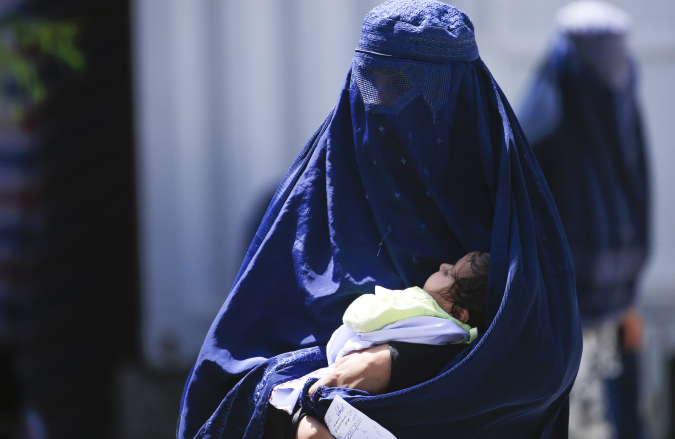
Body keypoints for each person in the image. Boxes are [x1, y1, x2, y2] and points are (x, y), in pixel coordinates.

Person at [177, 1, 582, 438]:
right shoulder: (313, 207)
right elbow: (230, 373)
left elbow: (542, 363)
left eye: (419, 92)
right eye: (379, 88)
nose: (396, 112)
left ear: (467, 99)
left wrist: (396, 365)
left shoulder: (509, 218)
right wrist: (300, 416)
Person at [517, 2, 650, 439]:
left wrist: (629, 299)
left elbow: (633, 203)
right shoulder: (543, 129)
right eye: (601, 51)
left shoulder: (619, 108)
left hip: (615, 314)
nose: (614, 63)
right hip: (564, 326)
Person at [266, 250, 488, 437]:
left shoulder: (419, 305)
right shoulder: (465, 342)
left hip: (338, 384)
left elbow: (362, 319)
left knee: (289, 403)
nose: (442, 266)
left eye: (449, 273)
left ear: (459, 312)